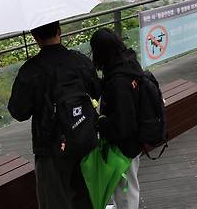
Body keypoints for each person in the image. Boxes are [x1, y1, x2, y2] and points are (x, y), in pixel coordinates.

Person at [8, 21, 100, 209]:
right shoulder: (80, 60)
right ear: (60, 30)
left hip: (51, 149)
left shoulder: (31, 70)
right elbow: (96, 91)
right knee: (87, 199)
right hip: (86, 139)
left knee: (54, 202)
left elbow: (19, 112)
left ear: (34, 37)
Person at [90, 28, 143, 209]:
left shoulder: (118, 81)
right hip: (135, 138)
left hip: (125, 145)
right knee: (127, 184)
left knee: (126, 188)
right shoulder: (128, 65)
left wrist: (101, 123)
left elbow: (123, 122)